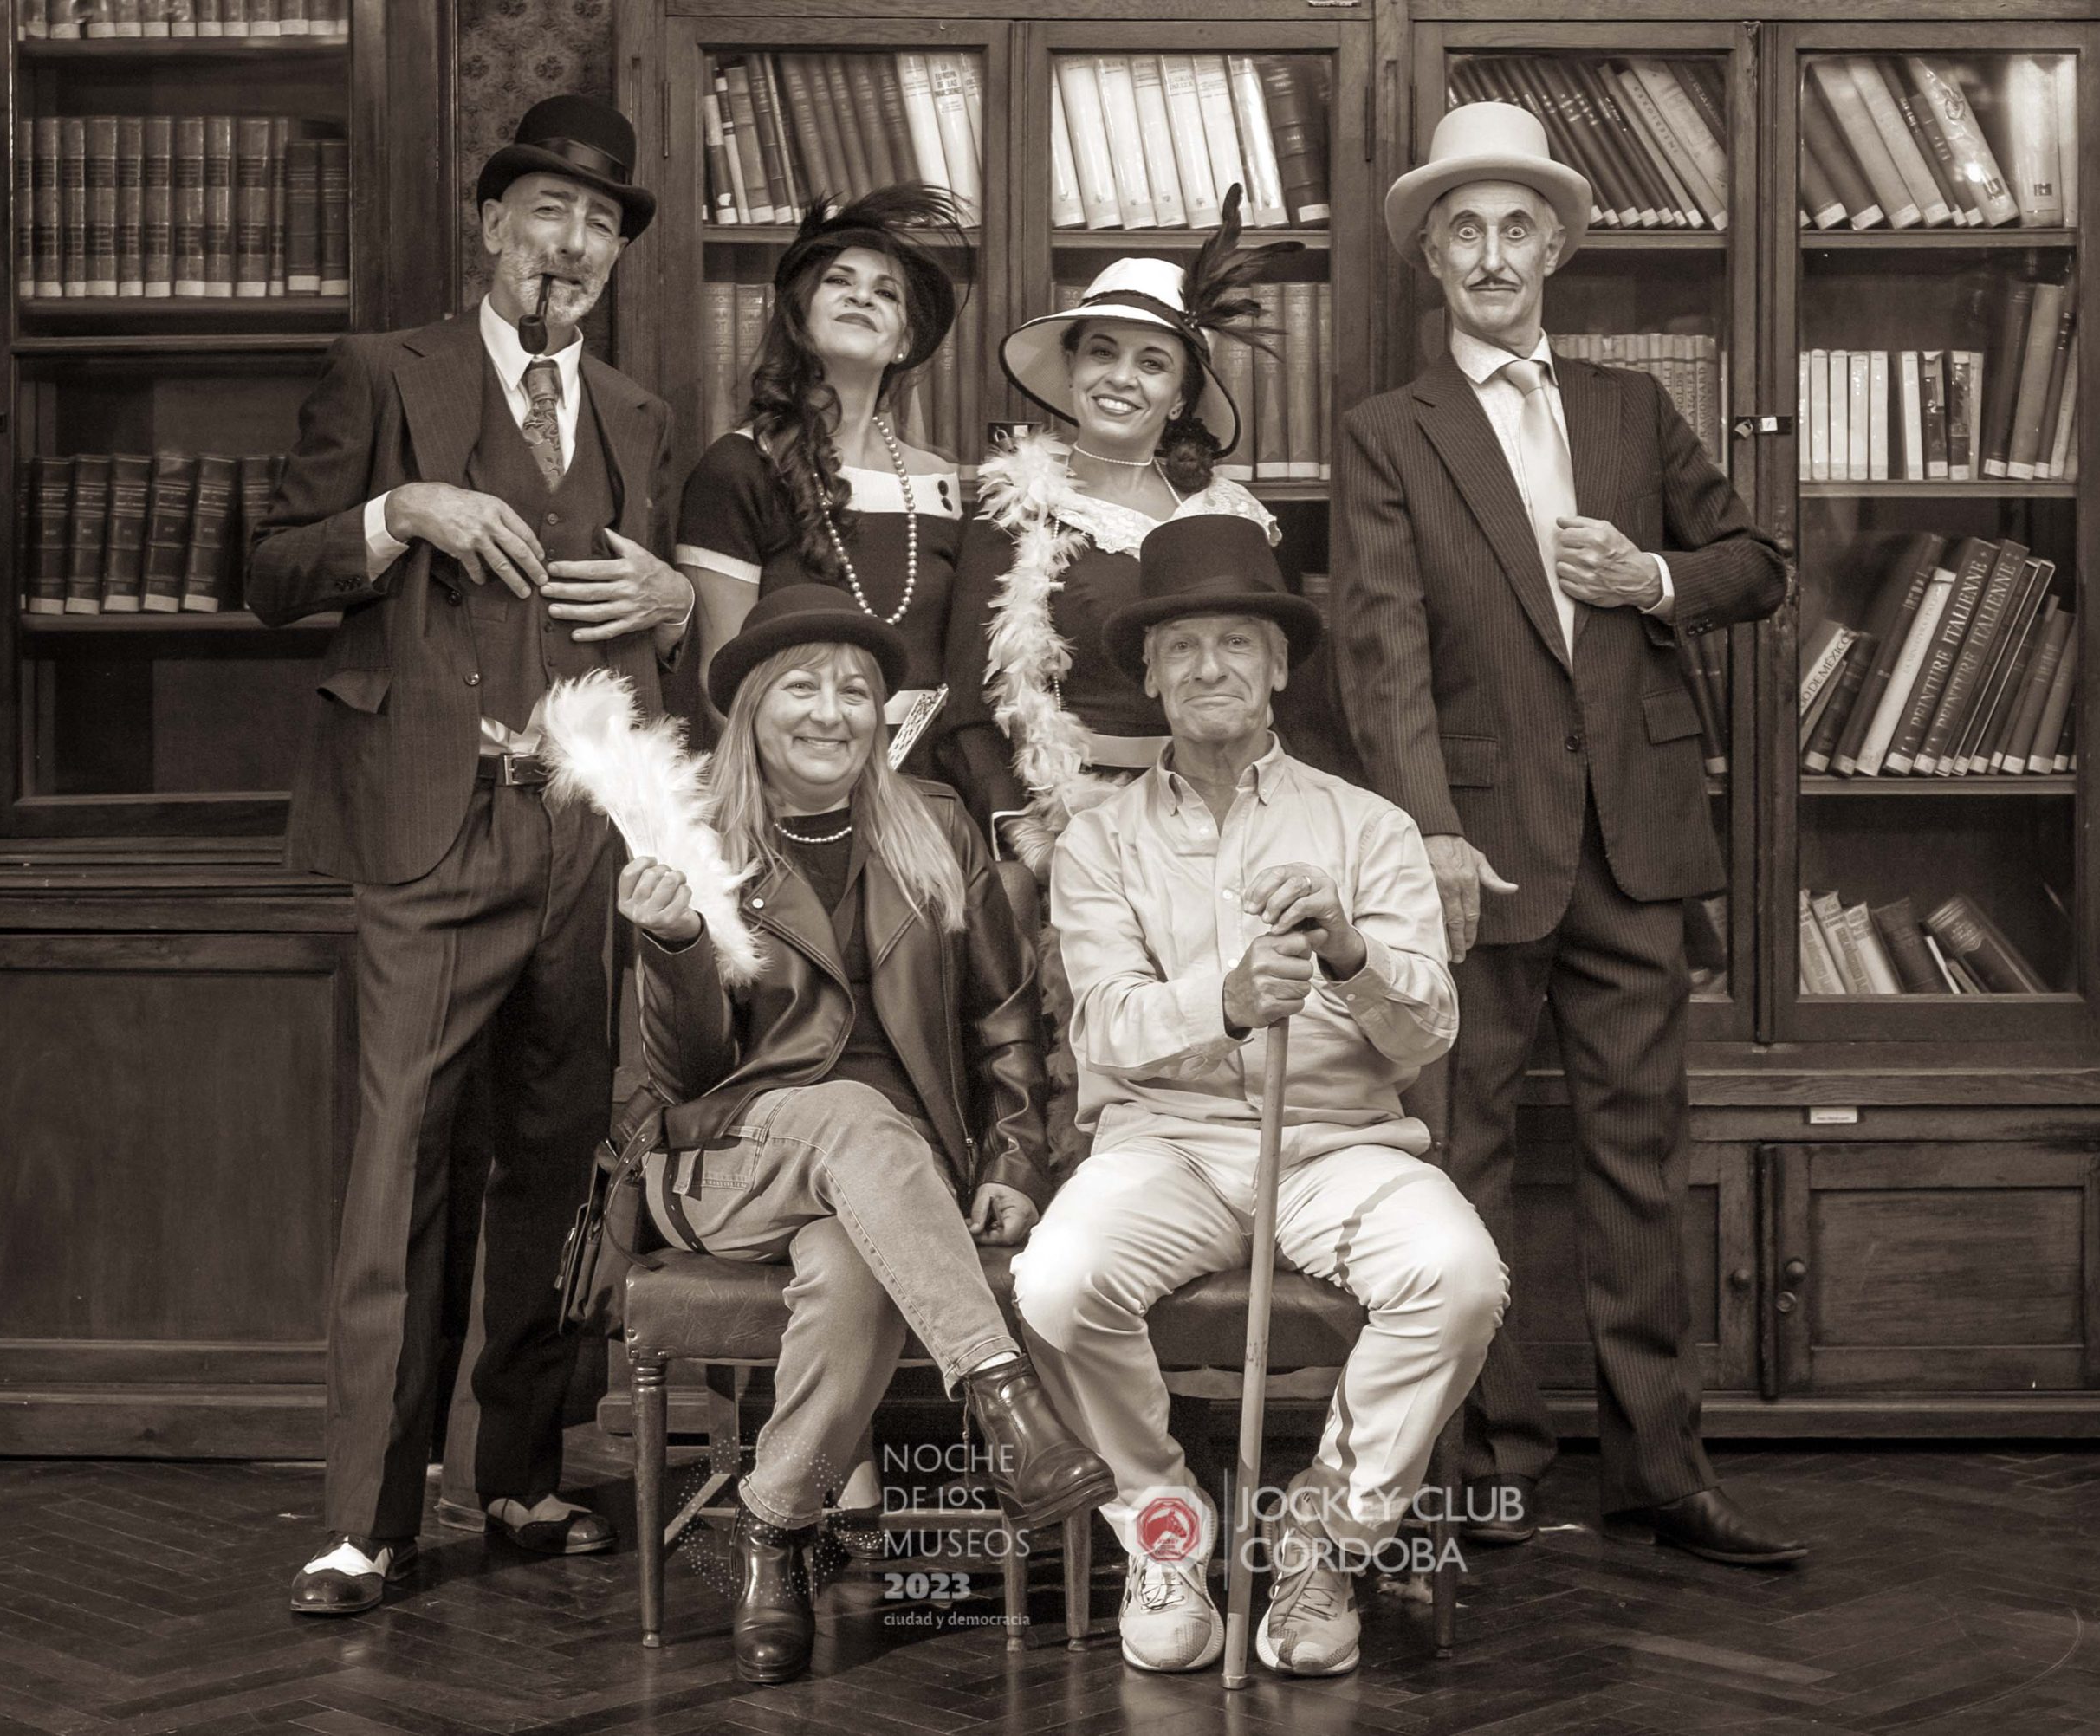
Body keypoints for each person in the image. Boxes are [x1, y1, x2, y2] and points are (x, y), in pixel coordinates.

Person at [1333, 101, 1803, 1566]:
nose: (1491, 254)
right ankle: (1488, 1464)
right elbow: (1380, 652)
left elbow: (1758, 565)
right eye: (1463, 231)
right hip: (1476, 854)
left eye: (1516, 228)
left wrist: (1651, 575)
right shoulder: (1387, 432)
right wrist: (1428, 834)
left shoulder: (1630, 408)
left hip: (1637, 846)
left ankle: (1661, 1474)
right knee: (1461, 1161)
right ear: (1431, 258)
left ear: (1555, 249)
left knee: (1639, 1161)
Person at [249, 95, 699, 1616]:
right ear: (493, 225)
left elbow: (655, 635)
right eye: (548, 212)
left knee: (554, 1159)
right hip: (431, 826)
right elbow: (272, 572)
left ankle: (517, 1473)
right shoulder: (389, 371)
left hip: (586, 836)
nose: (572, 243)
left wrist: (675, 605)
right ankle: (365, 1521)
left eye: (601, 224)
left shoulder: (635, 413)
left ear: (616, 256)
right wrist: (400, 510)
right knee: (403, 1165)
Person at [1011, 514, 1504, 1679]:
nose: (1208, 668)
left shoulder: (1369, 827)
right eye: (1180, 649)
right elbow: (1105, 1025)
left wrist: (1350, 956)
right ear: (1149, 677)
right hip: (1166, 1150)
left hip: (1340, 1147)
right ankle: (1167, 1534)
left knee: (1459, 1279)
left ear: (1279, 666)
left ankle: (1322, 1541)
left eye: (1236, 642)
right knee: (1057, 1283)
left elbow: (1428, 1027)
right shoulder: (1098, 843)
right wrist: (1224, 1002)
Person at [619, 583, 1114, 1686]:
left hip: (894, 1179)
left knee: (853, 1267)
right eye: (802, 687)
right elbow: (681, 1080)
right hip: (728, 1159)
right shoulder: (690, 836)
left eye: (855, 691)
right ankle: (1008, 1404)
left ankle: (774, 1526)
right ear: (752, 708)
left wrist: (1014, 1161)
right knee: (850, 1110)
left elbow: (1005, 1019)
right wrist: (677, 944)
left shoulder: (933, 823)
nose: (832, 711)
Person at [941, 195, 1295, 1174]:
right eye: (1101, 353)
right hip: (1049, 819)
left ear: (1181, 393)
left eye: (1151, 362)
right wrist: (1026, 835)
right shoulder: (1018, 503)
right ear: (1070, 371)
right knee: (1062, 1044)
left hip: (1202, 814)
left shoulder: (1227, 516)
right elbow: (970, 697)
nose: (1120, 378)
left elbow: (1272, 686)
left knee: (1195, 1034)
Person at [677, 185, 969, 770]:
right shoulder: (737, 467)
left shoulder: (942, 485)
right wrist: (810, 793)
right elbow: (722, 682)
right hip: (794, 784)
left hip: (928, 789)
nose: (862, 296)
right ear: (800, 315)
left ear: (906, 341)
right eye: (839, 281)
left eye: (886, 292)